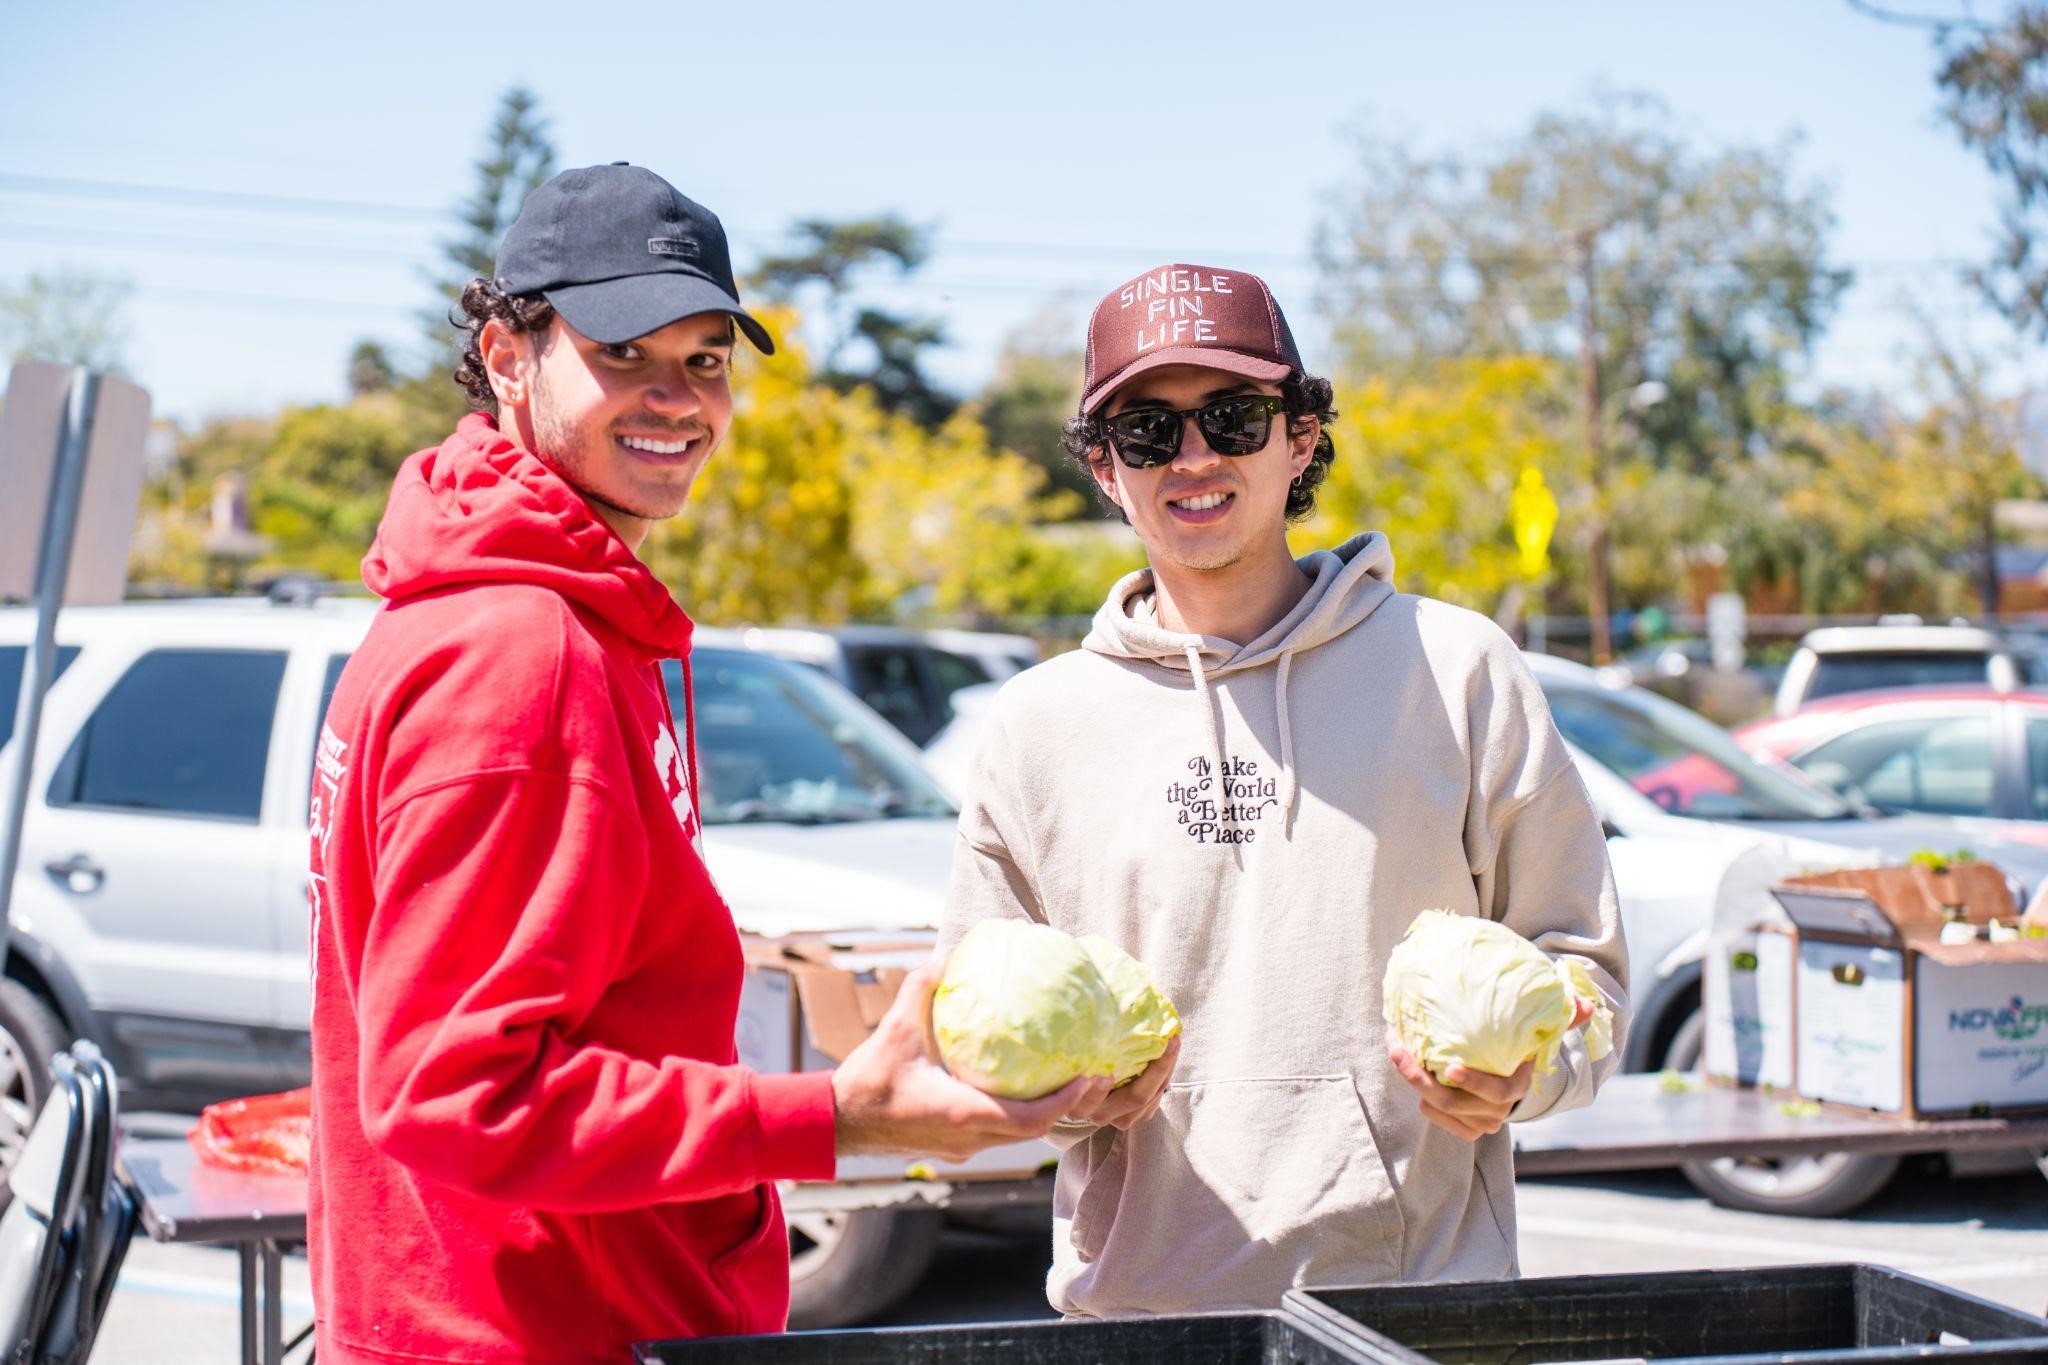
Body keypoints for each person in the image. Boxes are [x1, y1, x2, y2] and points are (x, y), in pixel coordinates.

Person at [306, 163, 1110, 1364]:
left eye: (706, 359)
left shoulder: (512, 618)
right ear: (508, 354)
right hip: (538, 1334)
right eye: (624, 352)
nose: (677, 398)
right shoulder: (514, 653)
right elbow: (456, 1095)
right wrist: (835, 1117)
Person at [937, 262, 1629, 1317]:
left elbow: (1581, 972)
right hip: (1137, 1317)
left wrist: (1523, 1075)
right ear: (1104, 470)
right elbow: (972, 1038)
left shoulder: (1453, 671)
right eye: (1146, 433)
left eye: (1233, 416)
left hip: (1416, 1309)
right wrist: (1054, 1098)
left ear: (1299, 437)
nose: (1194, 457)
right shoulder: (1035, 728)